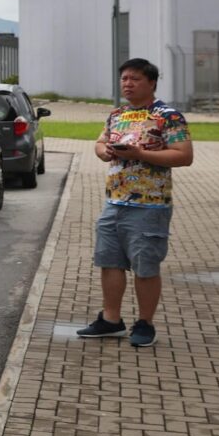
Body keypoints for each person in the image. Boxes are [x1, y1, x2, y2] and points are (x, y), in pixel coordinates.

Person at [76, 58, 194, 347]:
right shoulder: (117, 115)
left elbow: (183, 155)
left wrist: (141, 154)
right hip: (114, 202)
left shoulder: (168, 116)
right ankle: (111, 320)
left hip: (150, 206)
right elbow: (100, 142)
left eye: (135, 79)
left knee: (145, 266)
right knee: (109, 262)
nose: (127, 84)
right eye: (124, 79)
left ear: (151, 83)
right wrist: (104, 151)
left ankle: (145, 323)